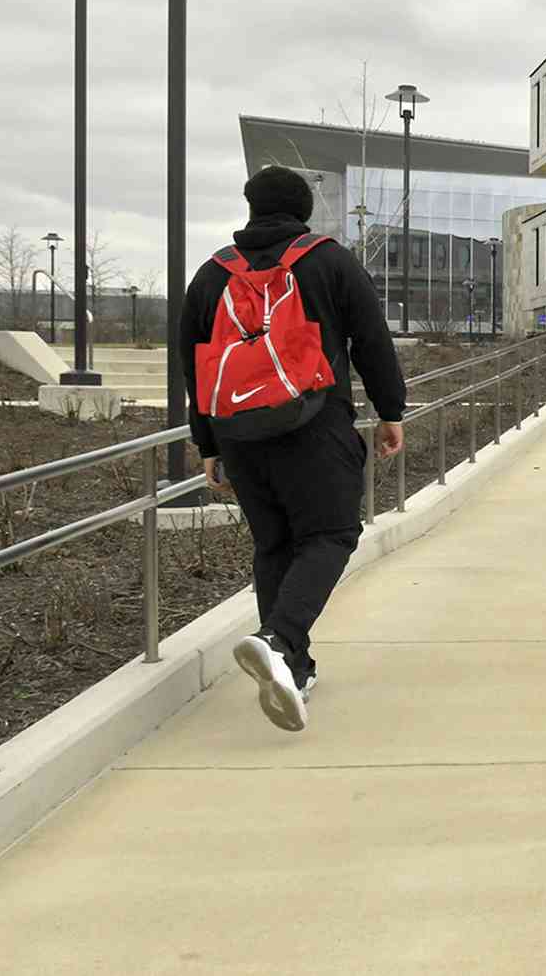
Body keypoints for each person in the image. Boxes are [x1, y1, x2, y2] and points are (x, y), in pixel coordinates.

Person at [180, 165, 406, 733]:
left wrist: (207, 443)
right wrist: (390, 412)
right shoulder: (328, 260)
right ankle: (278, 641)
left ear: (250, 206)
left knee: (275, 541)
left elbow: (192, 364)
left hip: (238, 431)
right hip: (313, 422)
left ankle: (293, 669)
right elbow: (371, 339)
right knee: (331, 533)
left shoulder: (211, 275)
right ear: (304, 210)